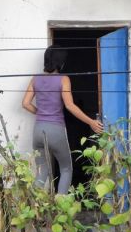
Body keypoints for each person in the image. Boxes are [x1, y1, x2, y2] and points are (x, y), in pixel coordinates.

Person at [22, 46, 103, 194]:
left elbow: (25, 104)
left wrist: (42, 113)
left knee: (42, 171)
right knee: (66, 168)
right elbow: (70, 106)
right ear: (61, 62)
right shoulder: (63, 79)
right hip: (56, 130)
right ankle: (61, 209)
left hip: (38, 130)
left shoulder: (35, 79)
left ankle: (33, 207)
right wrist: (91, 122)